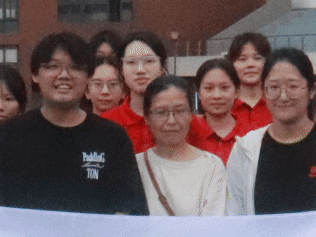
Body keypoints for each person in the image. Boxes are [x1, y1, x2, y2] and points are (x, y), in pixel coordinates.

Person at [0, 32, 146, 215]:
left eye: (75, 67)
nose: (64, 75)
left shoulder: (113, 138)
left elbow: (132, 211)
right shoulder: (5, 137)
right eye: (52, 66)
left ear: (89, 77)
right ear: (35, 75)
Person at [226, 49, 316, 217]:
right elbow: (234, 219)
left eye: (293, 86)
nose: (283, 96)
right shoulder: (244, 150)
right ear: (263, 92)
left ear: (311, 90)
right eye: (274, 87)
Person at [137, 75, 228, 217]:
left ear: (191, 114)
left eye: (179, 111)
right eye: (161, 112)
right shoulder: (136, 166)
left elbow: (212, 225)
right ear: (147, 117)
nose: (171, 121)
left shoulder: (212, 166)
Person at [99, 30, 168, 152]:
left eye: (149, 61)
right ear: (121, 70)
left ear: (162, 67)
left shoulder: (184, 120)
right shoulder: (105, 123)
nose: (140, 70)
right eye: (131, 62)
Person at [193, 57, 244, 162]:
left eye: (224, 88)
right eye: (209, 88)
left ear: (236, 92)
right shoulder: (187, 131)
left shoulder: (251, 133)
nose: (217, 96)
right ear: (199, 93)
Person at [227, 32, 272, 132]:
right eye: (242, 59)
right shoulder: (225, 105)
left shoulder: (278, 103)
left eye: (257, 58)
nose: (250, 65)